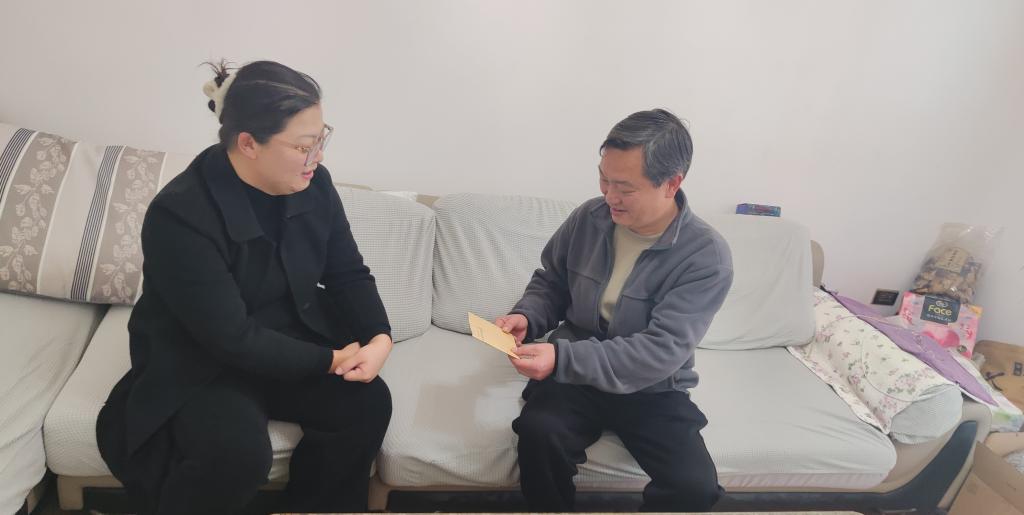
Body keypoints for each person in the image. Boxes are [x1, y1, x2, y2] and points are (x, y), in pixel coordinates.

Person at [96, 60, 393, 514]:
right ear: (249, 143)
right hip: (205, 358)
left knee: (367, 403)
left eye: (321, 140)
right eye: (303, 146)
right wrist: (331, 359)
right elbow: (229, 337)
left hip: (288, 334)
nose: (317, 157)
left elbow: (347, 272)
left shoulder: (314, 185)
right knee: (234, 456)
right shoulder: (180, 214)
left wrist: (378, 337)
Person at [496, 109, 733, 512]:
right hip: (574, 376)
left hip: (651, 386)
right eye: (604, 179)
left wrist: (562, 358)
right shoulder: (589, 218)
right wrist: (527, 316)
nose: (609, 197)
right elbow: (552, 282)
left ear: (672, 183)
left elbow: (660, 350)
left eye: (624, 187)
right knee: (539, 432)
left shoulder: (705, 255)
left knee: (694, 486)